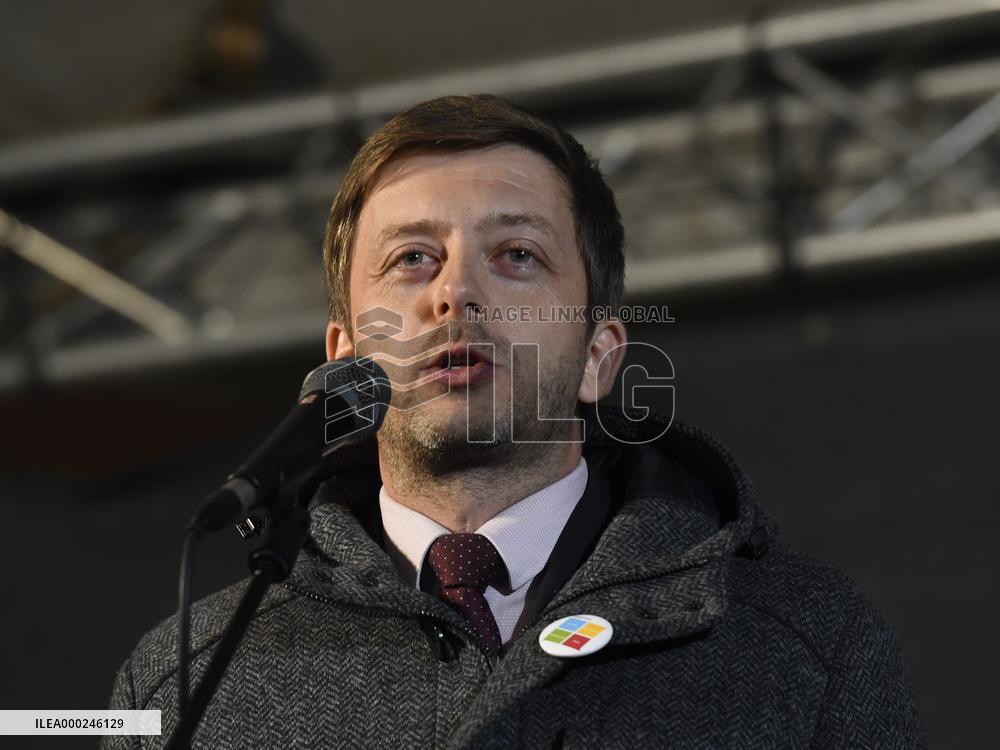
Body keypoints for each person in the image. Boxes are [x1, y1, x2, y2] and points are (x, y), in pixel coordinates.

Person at [104, 94, 925, 748]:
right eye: (411, 259)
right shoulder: (181, 686)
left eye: (517, 256)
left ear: (600, 354)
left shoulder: (809, 644)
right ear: (344, 357)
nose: (456, 293)